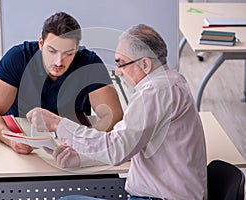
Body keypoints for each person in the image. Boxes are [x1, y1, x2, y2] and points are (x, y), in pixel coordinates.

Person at [27, 24, 208, 200]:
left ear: (145, 64)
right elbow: (126, 145)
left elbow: (117, 149)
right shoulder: (170, 82)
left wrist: (57, 124)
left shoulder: (155, 92)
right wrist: (80, 158)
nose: (118, 73)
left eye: (121, 64)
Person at [0, 12, 123, 154]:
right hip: (23, 141)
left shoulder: (89, 63)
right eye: (52, 51)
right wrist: (10, 139)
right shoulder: (17, 58)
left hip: (72, 142)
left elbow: (114, 116)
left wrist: (84, 142)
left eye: (68, 53)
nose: (59, 62)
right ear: (41, 43)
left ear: (77, 48)